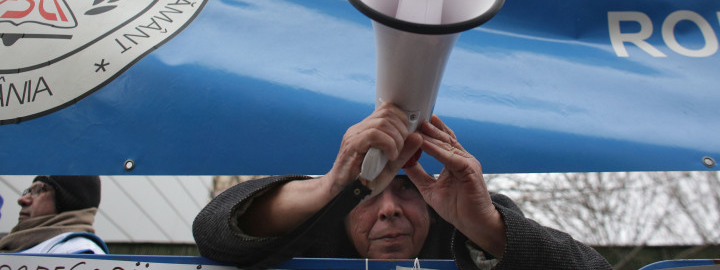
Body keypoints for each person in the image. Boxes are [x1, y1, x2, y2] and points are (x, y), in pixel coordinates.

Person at [193, 103, 613, 270]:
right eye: (368, 193)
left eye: (407, 188)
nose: (390, 208)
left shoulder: (473, 228)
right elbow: (213, 232)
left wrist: (488, 227)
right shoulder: (315, 221)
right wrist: (331, 186)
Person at [0, 176, 108, 254]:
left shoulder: (80, 252)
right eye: (27, 192)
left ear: (67, 201)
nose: (22, 200)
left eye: (38, 190)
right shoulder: (17, 246)